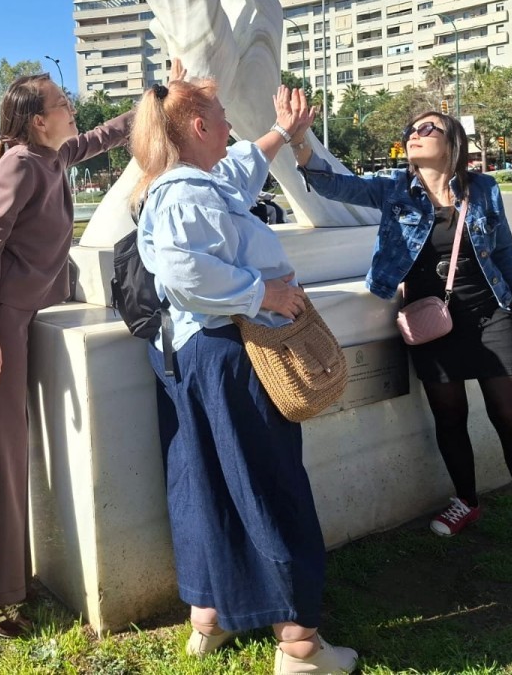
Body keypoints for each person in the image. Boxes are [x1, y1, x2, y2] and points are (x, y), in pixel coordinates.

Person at [132, 69, 359, 674]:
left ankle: (210, 615)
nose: (231, 128)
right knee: (268, 481)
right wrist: (264, 293)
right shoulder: (187, 192)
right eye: (222, 119)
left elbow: (239, 169)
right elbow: (185, 272)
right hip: (227, 355)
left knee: (203, 481)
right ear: (199, 127)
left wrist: (281, 131)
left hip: (193, 355)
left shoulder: (189, 183)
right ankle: (300, 646)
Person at [294, 111, 512, 567]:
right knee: (449, 414)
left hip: (488, 312)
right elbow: (335, 186)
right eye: (411, 130)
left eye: (427, 129)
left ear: (452, 141)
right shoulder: (394, 188)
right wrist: (298, 141)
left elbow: (504, 249)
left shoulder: (483, 189)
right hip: (428, 319)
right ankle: (467, 500)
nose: (414, 135)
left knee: (510, 415)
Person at [0, 73, 134, 636]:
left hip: (19, 319)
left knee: (10, 453)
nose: (70, 108)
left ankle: (3, 579)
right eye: (61, 103)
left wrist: (157, 102)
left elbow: (101, 137)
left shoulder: (53, 157)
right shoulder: (20, 165)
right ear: (37, 120)